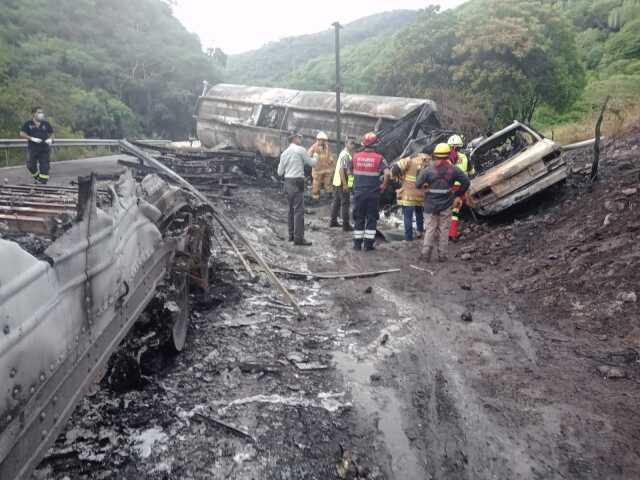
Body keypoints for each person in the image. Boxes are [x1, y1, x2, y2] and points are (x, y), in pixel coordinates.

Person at [416, 143, 470, 262]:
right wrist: (457, 195)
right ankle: (442, 256)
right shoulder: (454, 170)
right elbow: (466, 182)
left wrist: (425, 185)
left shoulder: (428, 170)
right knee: (443, 230)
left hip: (430, 205)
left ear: (435, 155)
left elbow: (417, 184)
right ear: (448, 155)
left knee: (430, 229)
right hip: (446, 205)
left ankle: (425, 256)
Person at [351, 132, 390, 251]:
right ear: (376, 145)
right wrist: (383, 185)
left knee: (359, 218)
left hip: (358, 193)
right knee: (371, 218)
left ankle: (357, 245)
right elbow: (387, 173)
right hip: (373, 194)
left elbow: (348, 171)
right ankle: (368, 245)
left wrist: (353, 185)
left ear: (364, 144)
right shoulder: (379, 158)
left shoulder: (356, 157)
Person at [277, 131, 317, 246]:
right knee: (299, 211)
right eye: (299, 137)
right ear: (294, 138)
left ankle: (291, 236)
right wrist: (316, 156)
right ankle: (298, 238)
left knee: (290, 210)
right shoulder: (301, 150)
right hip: (297, 182)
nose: (301, 139)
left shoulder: (284, 153)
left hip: (287, 182)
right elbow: (312, 163)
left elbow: (279, 173)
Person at [391, 152, 430, 241]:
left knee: (408, 216)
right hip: (421, 192)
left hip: (409, 193)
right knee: (419, 211)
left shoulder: (408, 160)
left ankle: (408, 238)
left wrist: (399, 177)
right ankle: (420, 232)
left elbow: (395, 169)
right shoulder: (427, 160)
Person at [447, 134, 475, 240]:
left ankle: (451, 233)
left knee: (453, 212)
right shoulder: (464, 157)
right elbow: (472, 172)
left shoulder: (448, 159)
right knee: (456, 210)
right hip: (463, 188)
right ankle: (452, 233)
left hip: (451, 188)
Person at [19, 107, 54, 184]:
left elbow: (52, 133)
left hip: (44, 149)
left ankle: (43, 183)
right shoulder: (28, 124)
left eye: (42, 112)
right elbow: (22, 134)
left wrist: (51, 139)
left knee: (45, 168)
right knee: (30, 165)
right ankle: (38, 178)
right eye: (39, 112)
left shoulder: (46, 124)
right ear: (33, 114)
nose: (41, 114)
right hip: (33, 149)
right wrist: (31, 138)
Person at [329, 137, 355, 230]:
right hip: (342, 182)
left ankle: (333, 221)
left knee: (336, 202)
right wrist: (345, 184)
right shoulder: (345, 155)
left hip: (337, 182)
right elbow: (341, 170)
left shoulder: (345, 154)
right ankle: (346, 225)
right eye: (351, 143)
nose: (353, 145)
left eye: (353, 143)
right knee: (345, 203)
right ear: (346, 144)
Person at [308, 131, 335, 200]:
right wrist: (313, 160)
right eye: (321, 140)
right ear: (318, 139)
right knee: (316, 183)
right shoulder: (314, 147)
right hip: (317, 170)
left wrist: (331, 159)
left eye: (323, 140)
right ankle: (315, 196)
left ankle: (329, 195)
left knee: (328, 182)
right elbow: (308, 155)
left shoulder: (326, 146)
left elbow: (329, 155)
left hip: (327, 169)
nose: (322, 141)